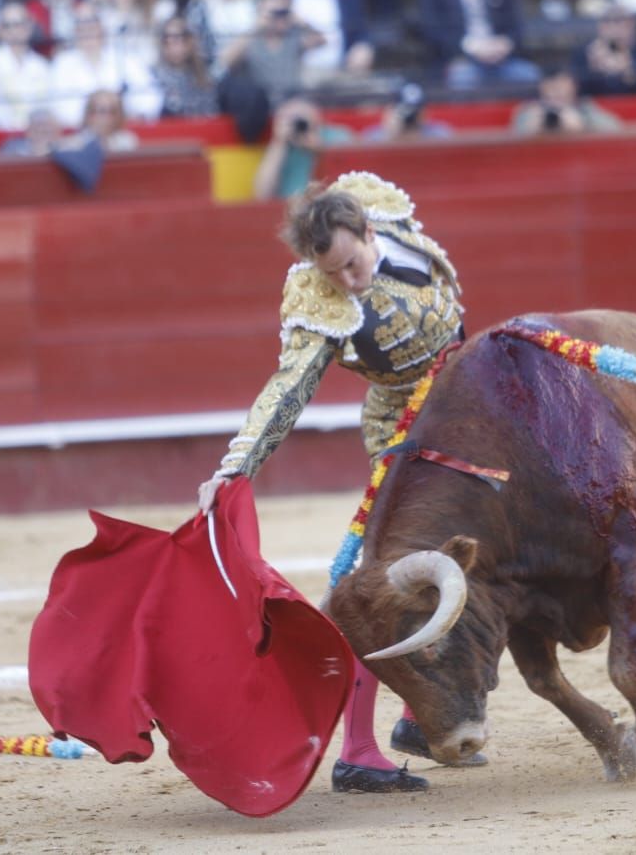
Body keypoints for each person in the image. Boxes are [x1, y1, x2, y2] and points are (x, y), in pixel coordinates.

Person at [197, 172, 467, 793]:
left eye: (351, 264)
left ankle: (417, 719)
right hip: (404, 429)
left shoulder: (384, 210)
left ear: (371, 230)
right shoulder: (322, 303)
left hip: (469, 402)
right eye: (332, 273)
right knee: (386, 577)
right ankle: (358, 751)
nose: (347, 282)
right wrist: (233, 469)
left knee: (471, 556)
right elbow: (286, 391)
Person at [252, 95, 354, 199]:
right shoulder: (282, 145)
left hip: (333, 204)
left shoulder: (337, 136)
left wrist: (320, 148)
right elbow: (262, 193)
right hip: (291, 205)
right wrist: (279, 143)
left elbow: (355, 168)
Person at [0, 1, 53, 132]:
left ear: (29, 26)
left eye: (19, 24)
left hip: (39, 134)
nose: (14, 31)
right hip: (4, 136)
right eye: (7, 26)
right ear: (0, 31)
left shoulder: (42, 65)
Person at [570, 4, 636, 97]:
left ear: (632, 24)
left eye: (619, 21)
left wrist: (628, 72)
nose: (613, 27)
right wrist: (594, 68)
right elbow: (575, 89)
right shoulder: (586, 53)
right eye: (607, 21)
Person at [509, 65, 622, 135]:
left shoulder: (584, 108)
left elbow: (615, 127)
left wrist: (583, 123)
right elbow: (513, 136)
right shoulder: (530, 109)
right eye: (552, 87)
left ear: (574, 87)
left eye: (563, 86)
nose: (558, 92)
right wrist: (532, 127)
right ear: (542, 88)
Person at [153, 16, 220, 117]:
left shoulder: (205, 75)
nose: (172, 47)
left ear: (189, 42)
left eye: (176, 41)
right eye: (167, 42)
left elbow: (211, 112)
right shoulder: (155, 77)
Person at [363, 80, 452, 140]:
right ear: (391, 110)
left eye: (414, 111)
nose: (409, 116)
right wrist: (391, 135)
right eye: (404, 110)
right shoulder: (374, 136)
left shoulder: (439, 134)